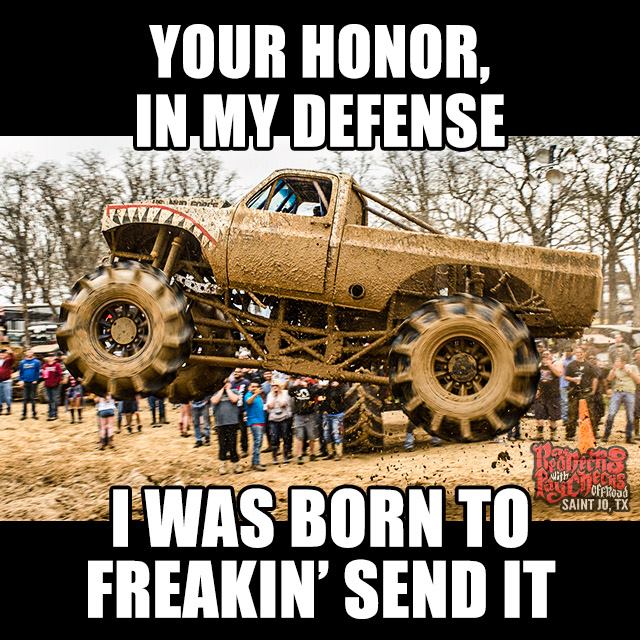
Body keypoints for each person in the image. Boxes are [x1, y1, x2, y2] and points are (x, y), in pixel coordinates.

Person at [603, 355, 640, 443]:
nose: (616, 363)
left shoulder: (632, 367)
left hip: (629, 392)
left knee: (630, 415)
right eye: (616, 361)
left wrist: (630, 373)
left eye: (618, 361)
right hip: (617, 392)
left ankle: (629, 437)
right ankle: (606, 435)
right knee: (611, 413)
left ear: (624, 362)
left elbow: (638, 381)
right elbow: (609, 379)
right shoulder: (615, 369)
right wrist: (613, 371)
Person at [564, 346, 599, 440]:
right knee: (572, 413)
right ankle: (570, 435)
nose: (579, 354)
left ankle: (593, 433)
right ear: (575, 354)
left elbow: (595, 378)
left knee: (589, 413)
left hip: (586, 391)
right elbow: (565, 377)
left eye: (580, 352)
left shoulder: (589, 365)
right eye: (577, 352)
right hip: (574, 391)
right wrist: (573, 379)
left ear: (584, 353)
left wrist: (593, 390)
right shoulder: (571, 365)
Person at [211, 378, 244, 474]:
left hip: (232, 422)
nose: (225, 384)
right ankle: (223, 466)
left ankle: (236, 465)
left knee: (233, 444)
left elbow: (234, 399)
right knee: (222, 445)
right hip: (220, 423)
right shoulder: (216, 393)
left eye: (227, 382)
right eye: (223, 383)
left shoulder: (234, 391)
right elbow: (214, 401)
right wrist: (222, 389)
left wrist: (228, 389)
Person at [533, 350, 563, 440]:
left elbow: (559, 374)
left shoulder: (556, 363)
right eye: (544, 354)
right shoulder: (539, 365)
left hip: (553, 394)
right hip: (541, 393)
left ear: (551, 355)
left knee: (553, 416)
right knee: (539, 414)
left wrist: (549, 365)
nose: (545, 355)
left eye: (547, 354)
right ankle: (539, 435)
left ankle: (553, 435)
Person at [289, 377, 321, 465]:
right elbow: (290, 392)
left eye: (305, 380)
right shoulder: (296, 388)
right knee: (299, 436)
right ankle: (299, 456)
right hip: (298, 415)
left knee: (311, 435)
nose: (303, 381)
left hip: (310, 415)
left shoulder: (311, 388)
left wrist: (307, 386)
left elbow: (315, 394)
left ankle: (312, 454)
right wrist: (295, 384)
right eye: (302, 380)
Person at [265, 377, 293, 464]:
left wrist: (279, 395)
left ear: (280, 386)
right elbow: (269, 406)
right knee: (274, 438)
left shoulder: (285, 393)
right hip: (273, 419)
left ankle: (285, 457)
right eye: (273, 386)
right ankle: (275, 458)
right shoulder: (270, 395)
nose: (274, 387)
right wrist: (274, 397)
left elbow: (284, 404)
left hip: (284, 418)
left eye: (276, 385)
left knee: (286, 437)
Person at [320, 380, 348, 460]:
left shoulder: (341, 389)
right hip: (327, 415)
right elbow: (322, 400)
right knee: (326, 435)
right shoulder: (326, 390)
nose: (333, 382)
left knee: (337, 434)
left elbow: (339, 397)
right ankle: (330, 453)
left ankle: (339, 454)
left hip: (337, 415)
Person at [244, 381, 267, 471]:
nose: (254, 388)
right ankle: (255, 463)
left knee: (259, 442)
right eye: (252, 386)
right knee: (257, 442)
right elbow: (248, 402)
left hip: (261, 421)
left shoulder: (258, 396)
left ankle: (256, 461)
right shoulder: (248, 395)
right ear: (249, 387)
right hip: (254, 421)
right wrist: (256, 394)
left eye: (256, 386)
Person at [230, 368, 249, 456]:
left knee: (243, 431)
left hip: (242, 410)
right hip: (233, 410)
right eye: (235, 372)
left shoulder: (246, 383)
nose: (236, 373)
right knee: (232, 431)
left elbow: (248, 396)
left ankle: (244, 449)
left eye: (238, 372)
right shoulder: (231, 383)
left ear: (242, 373)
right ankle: (233, 450)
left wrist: (246, 410)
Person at [18, 350, 41, 420]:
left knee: (32, 399)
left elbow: (38, 372)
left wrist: (36, 379)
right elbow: (21, 372)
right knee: (25, 399)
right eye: (28, 352)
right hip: (25, 382)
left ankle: (34, 414)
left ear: (32, 353)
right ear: (26, 353)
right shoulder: (22, 362)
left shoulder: (36, 362)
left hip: (33, 383)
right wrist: (21, 380)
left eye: (31, 352)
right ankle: (24, 415)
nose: (29, 353)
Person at [42, 355, 63, 421]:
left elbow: (60, 375)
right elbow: (44, 375)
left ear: (54, 358)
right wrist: (45, 378)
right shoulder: (45, 366)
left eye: (52, 357)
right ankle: (50, 414)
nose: (50, 358)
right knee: (49, 400)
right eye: (49, 357)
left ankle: (54, 415)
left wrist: (56, 383)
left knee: (54, 399)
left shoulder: (57, 365)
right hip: (47, 385)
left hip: (55, 385)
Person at [559, 346, 575, 424]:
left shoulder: (575, 360)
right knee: (564, 401)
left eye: (569, 351)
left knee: (573, 401)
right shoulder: (562, 360)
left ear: (572, 352)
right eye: (566, 351)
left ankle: (573, 418)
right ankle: (565, 419)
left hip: (572, 383)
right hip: (563, 383)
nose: (568, 353)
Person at [0, 347, 15, 415]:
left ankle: (8, 408)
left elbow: (13, 358)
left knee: (7, 396)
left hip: (7, 381)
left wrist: (11, 352)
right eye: (1, 354)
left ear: (6, 354)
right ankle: (0, 408)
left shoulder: (8, 361)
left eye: (3, 353)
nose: (2, 355)